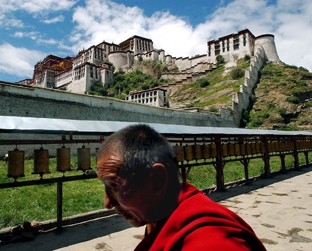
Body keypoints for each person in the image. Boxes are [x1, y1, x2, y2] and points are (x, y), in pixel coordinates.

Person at [97, 124, 266, 250]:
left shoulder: (212, 240)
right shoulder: (159, 217)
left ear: (157, 180)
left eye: (114, 186)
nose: (108, 202)